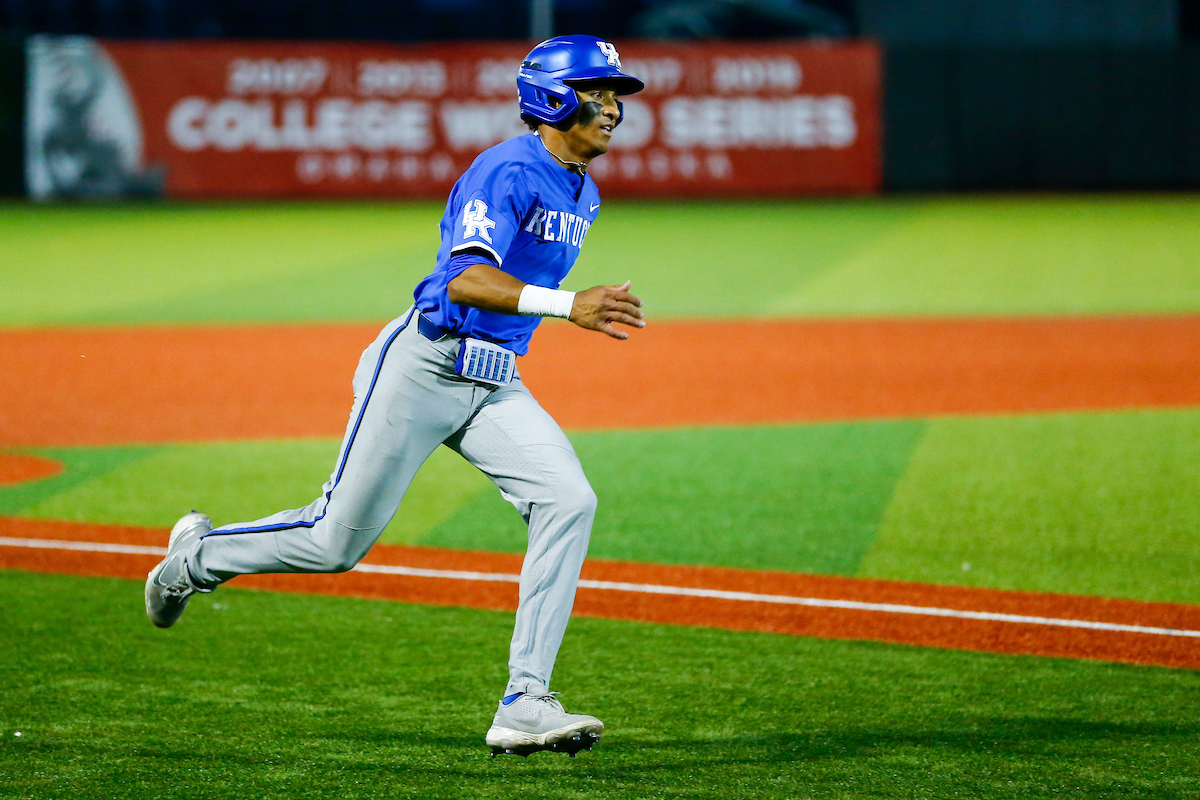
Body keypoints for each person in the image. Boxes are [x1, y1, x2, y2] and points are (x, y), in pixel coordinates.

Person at [144, 35, 645, 758]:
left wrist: (554, 312)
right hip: (422, 368)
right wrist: (569, 305)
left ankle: (525, 700)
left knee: (569, 499)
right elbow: (463, 281)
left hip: (495, 381)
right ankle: (191, 561)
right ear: (551, 97)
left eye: (614, 93)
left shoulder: (583, 190)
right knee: (332, 543)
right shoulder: (504, 170)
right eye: (597, 91)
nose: (612, 107)